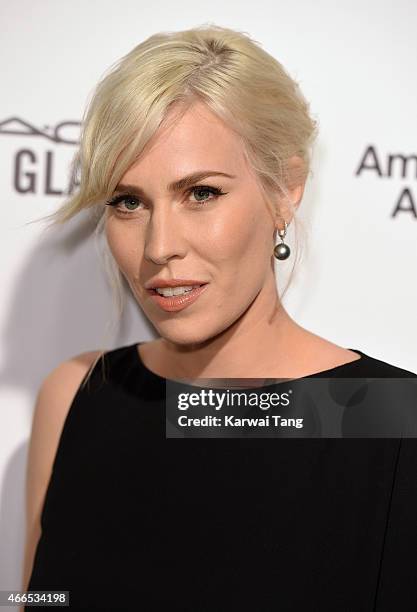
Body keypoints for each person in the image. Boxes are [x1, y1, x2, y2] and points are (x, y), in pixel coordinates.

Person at [22, 24, 417, 611]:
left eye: (200, 193)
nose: (159, 246)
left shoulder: (389, 419)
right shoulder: (78, 395)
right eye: (129, 201)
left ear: (284, 190)